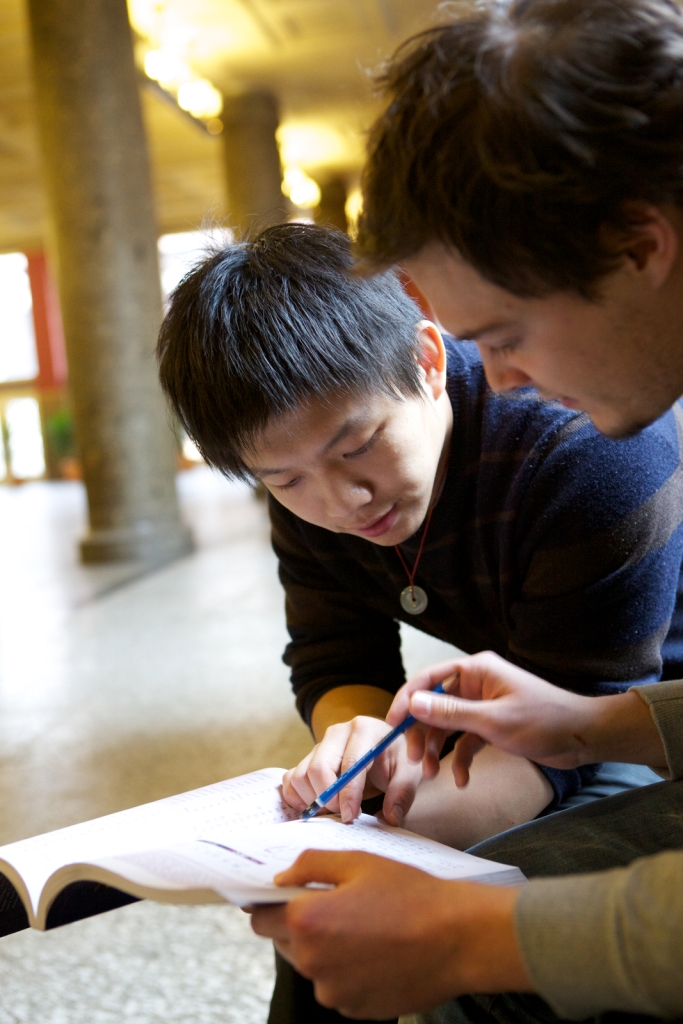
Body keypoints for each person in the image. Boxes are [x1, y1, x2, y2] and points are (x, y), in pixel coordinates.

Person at [247, 1, 683, 1021]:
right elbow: (332, 653)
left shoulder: (594, 450)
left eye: (501, 331)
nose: (510, 381)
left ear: (635, 244)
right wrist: (589, 724)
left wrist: (467, 938)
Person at [157, 221, 683, 1022]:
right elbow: (333, 657)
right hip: (548, 702)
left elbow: (586, 705)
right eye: (285, 479)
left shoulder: (585, 452)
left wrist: (412, 823)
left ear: (428, 360)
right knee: (322, 915)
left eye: (358, 446)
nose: (341, 502)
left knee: (467, 909)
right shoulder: (311, 480)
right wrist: (350, 743)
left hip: (639, 706)